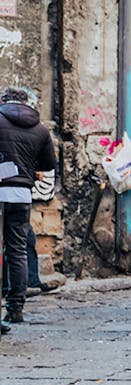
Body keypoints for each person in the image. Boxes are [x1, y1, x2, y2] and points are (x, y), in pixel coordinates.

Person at [0, 87, 56, 327]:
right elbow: (48, 164)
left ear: (4, 100)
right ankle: (15, 309)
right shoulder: (41, 129)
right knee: (17, 252)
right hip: (22, 195)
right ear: (26, 102)